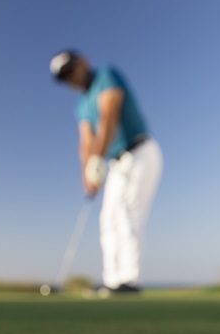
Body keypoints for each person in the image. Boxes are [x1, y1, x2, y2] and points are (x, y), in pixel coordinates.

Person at [49, 50, 163, 294]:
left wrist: (97, 159)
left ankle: (129, 279)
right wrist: (87, 174)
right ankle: (111, 280)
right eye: (64, 77)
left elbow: (109, 116)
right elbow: (86, 141)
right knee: (108, 219)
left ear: (82, 62)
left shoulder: (105, 75)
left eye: (70, 71)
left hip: (140, 152)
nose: (70, 79)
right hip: (116, 163)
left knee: (127, 214)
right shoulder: (81, 105)